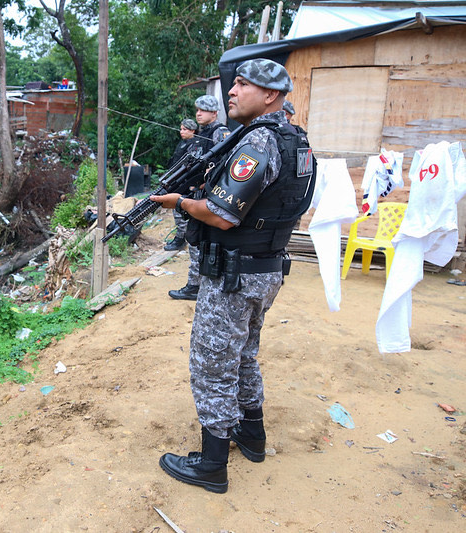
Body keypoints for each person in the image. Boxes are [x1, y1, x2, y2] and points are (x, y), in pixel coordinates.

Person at [150, 58, 316, 494]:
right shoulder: (295, 139)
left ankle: (211, 463)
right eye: (234, 83)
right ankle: (253, 435)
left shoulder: (259, 141)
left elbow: (222, 215)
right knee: (243, 355)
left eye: (244, 85)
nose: (232, 91)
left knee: (212, 363)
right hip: (265, 269)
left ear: (271, 96)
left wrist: (180, 204)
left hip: (234, 275)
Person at [167, 95, 230, 299]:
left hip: (209, 196)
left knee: (197, 240)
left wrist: (206, 184)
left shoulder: (220, 133)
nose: (198, 113)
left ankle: (195, 286)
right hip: (198, 193)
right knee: (197, 240)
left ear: (214, 113)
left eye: (204, 110)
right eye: (197, 110)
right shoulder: (204, 134)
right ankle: (198, 284)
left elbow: (224, 164)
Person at [163, 118, 200, 251]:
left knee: (181, 211)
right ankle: (180, 237)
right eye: (181, 129)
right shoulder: (183, 143)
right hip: (177, 181)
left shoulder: (195, 144)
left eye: (185, 129)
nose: (181, 132)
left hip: (186, 183)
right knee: (177, 211)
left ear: (193, 130)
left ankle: (181, 239)